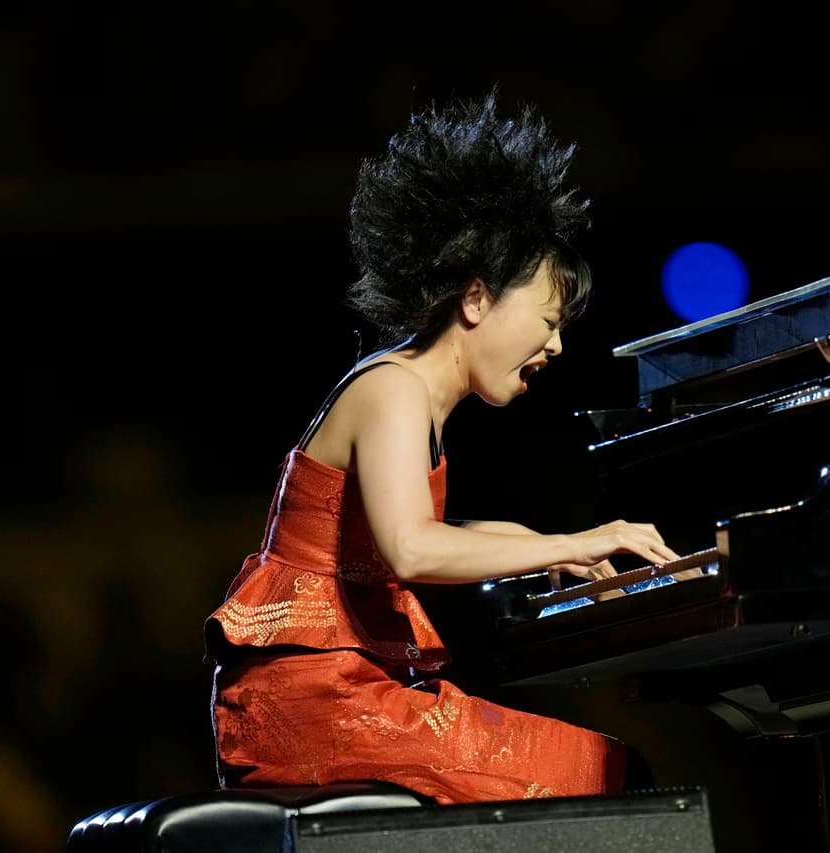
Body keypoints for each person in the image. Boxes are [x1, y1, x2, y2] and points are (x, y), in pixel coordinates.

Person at [203, 89, 681, 805]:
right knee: (608, 774)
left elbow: (422, 535)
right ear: (478, 298)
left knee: (612, 768)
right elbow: (412, 549)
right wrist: (580, 537)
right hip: (312, 704)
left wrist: (561, 545)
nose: (555, 345)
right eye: (548, 319)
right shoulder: (393, 388)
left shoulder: (407, 391)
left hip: (334, 692)